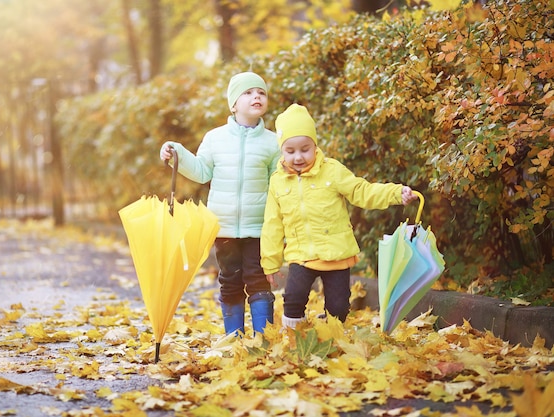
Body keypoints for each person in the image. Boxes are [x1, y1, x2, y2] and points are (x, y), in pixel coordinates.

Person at [260, 103, 418, 329]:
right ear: (281, 150)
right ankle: (294, 339)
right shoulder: (277, 181)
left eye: (305, 149)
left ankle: (332, 336)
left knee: (338, 308)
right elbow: (272, 224)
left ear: (315, 145)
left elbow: (361, 191)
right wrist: (270, 262)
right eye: (290, 150)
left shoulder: (332, 171)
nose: (298, 157)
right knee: (293, 299)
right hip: (301, 254)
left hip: (336, 254)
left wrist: (394, 193)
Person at [159, 72, 281, 336]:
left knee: (259, 281)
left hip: (259, 228)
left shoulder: (273, 142)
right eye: (247, 93)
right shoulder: (215, 138)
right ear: (233, 104)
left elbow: (278, 186)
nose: (256, 97)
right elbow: (202, 171)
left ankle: (263, 340)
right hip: (223, 227)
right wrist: (176, 153)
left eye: (261, 92)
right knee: (229, 281)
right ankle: (233, 338)